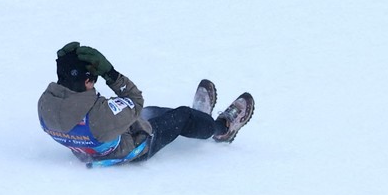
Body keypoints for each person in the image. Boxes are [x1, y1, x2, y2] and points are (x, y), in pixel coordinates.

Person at [37, 42, 255, 166]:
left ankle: (201, 120)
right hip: (134, 146)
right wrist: (110, 74)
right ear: (86, 81)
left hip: (94, 144)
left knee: (156, 112)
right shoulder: (100, 116)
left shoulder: (45, 106)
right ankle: (222, 129)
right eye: (93, 79)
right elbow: (135, 100)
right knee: (181, 116)